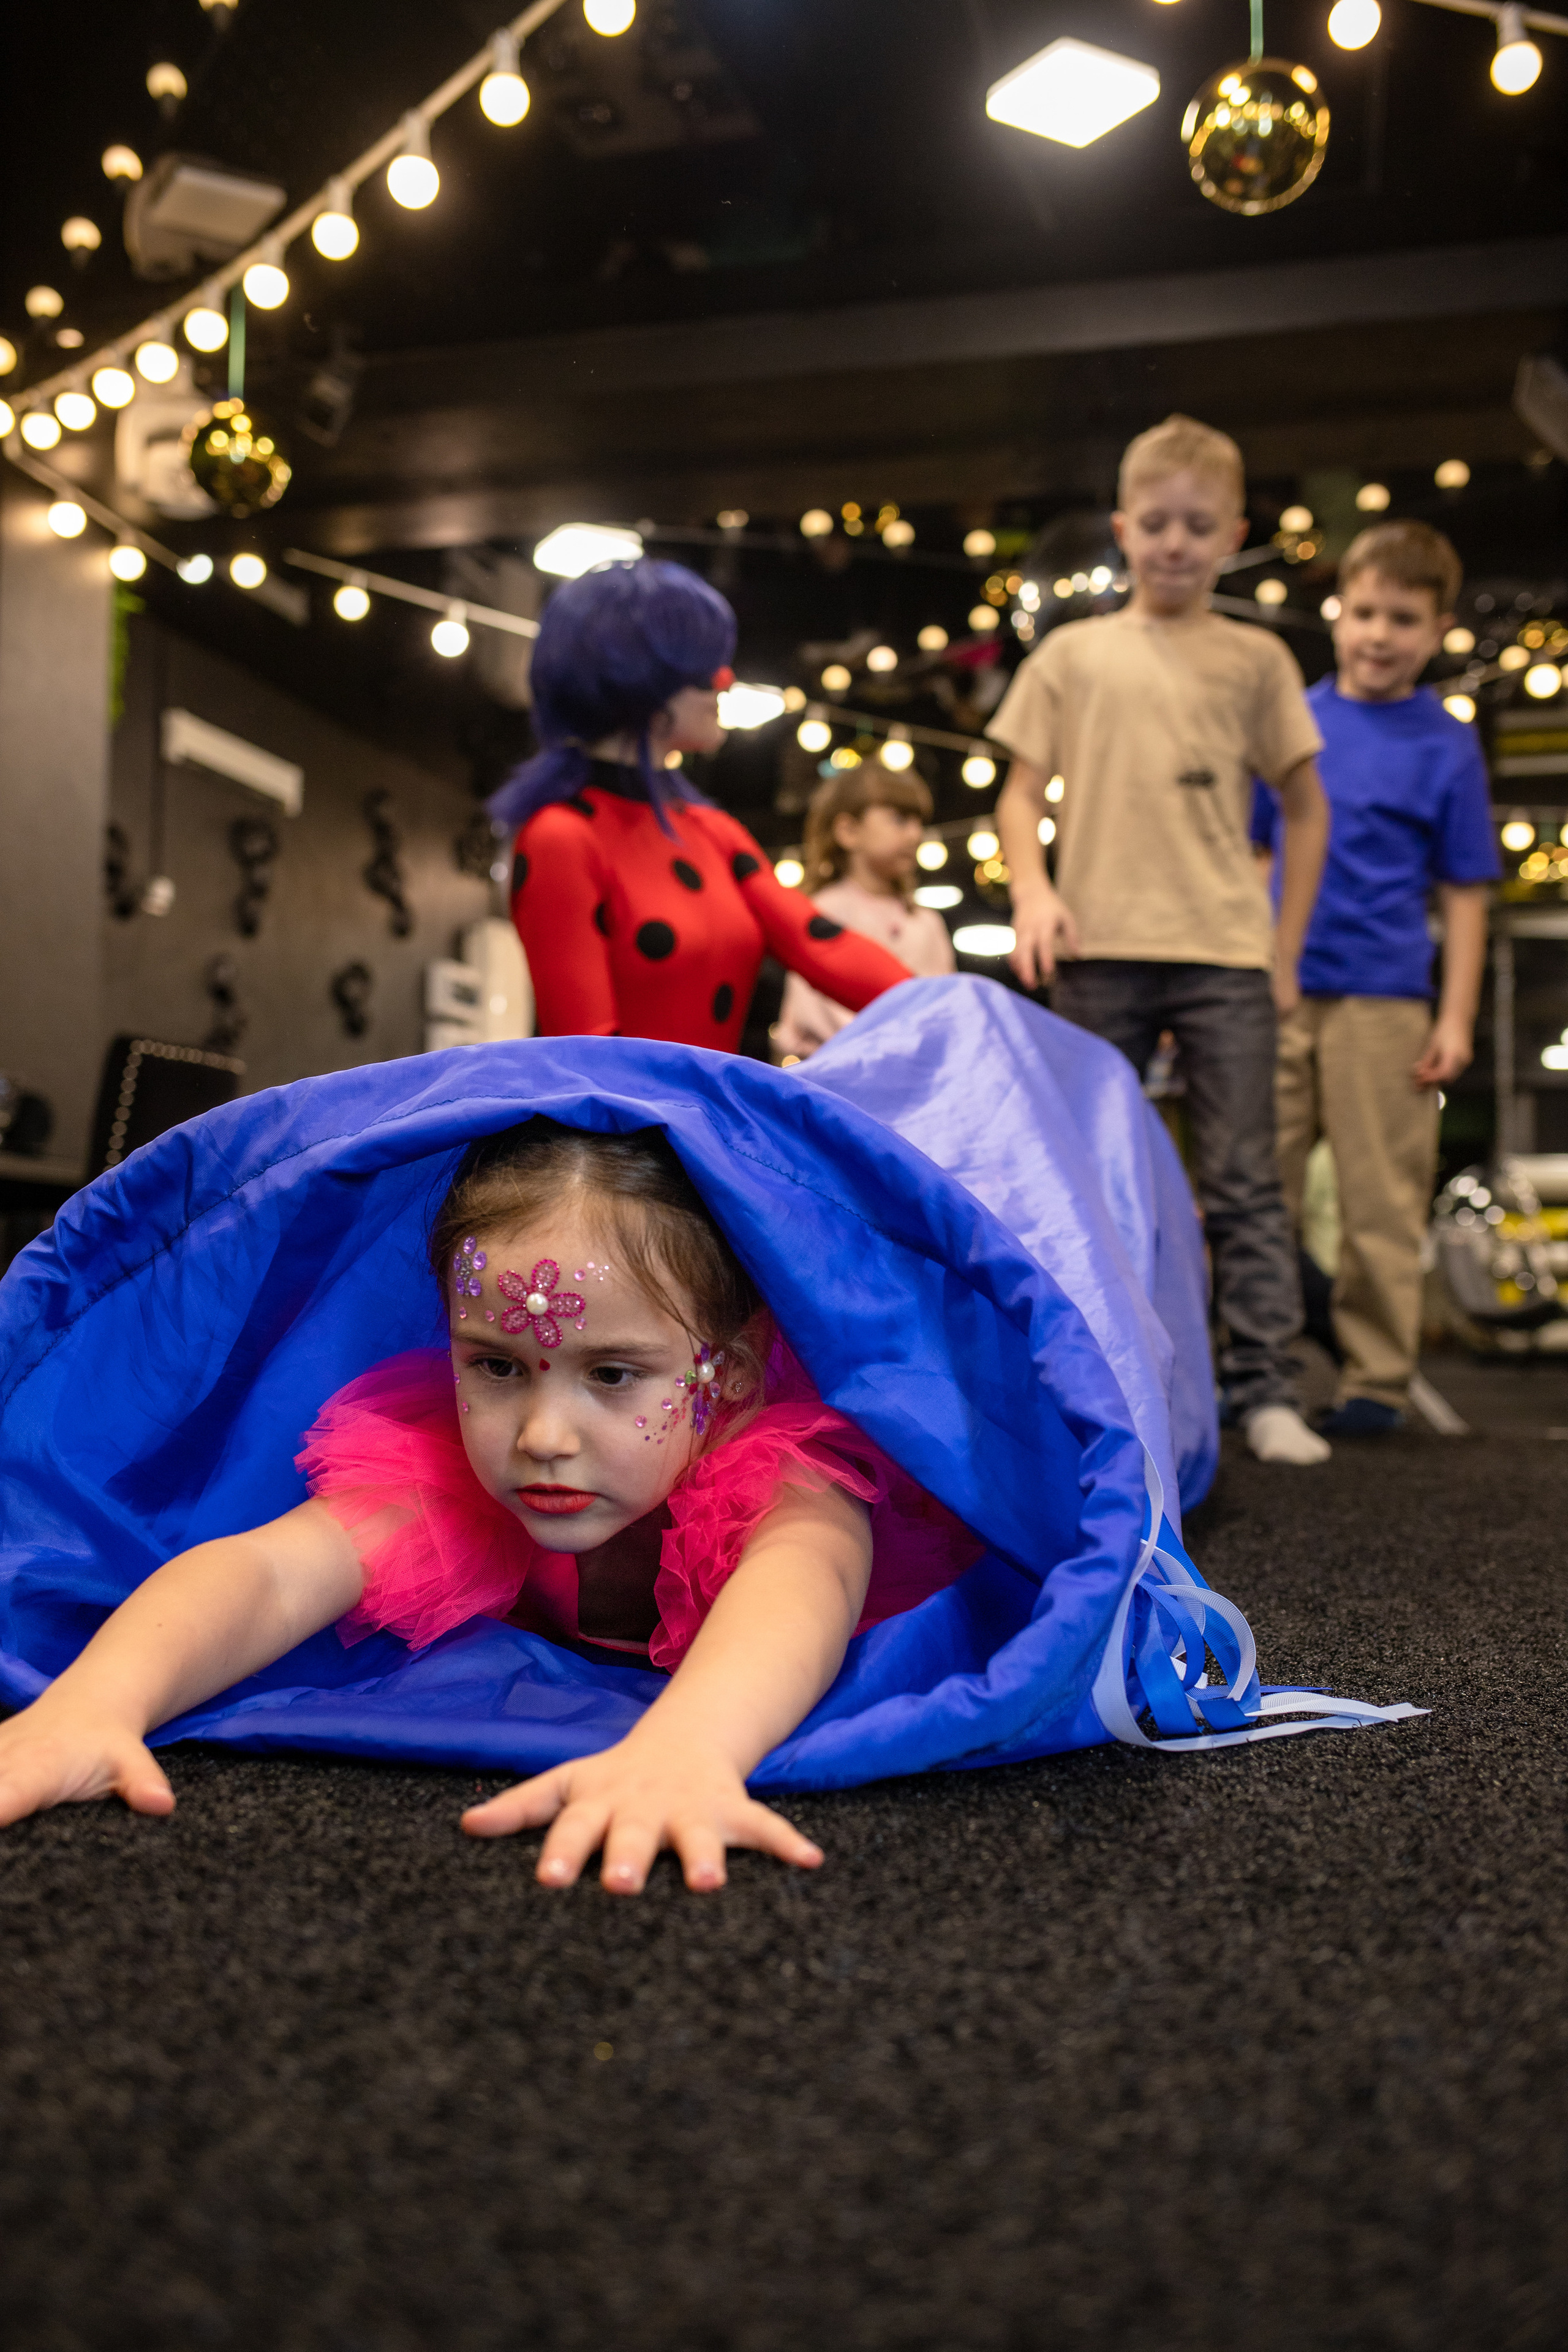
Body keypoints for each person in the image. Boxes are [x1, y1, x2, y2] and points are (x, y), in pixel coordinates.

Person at [0, 989, 1415, 1887]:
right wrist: (92, 1702)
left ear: (726, 1372)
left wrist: (687, 1749)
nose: (542, 1430)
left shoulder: (781, 1464)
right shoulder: (448, 1458)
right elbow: (262, 1572)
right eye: (495, 1363)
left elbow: (795, 1593)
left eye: (614, 1372)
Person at [990, 413, 1333, 1468]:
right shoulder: (1070, 654)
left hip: (1227, 950)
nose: (1175, 542)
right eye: (1156, 522)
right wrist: (1034, 892)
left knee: (1244, 1179)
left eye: (1198, 524)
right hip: (1097, 946)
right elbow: (1017, 793)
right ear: (1122, 528)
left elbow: (1308, 806)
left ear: (1233, 532)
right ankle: (1102, 1380)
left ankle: (1265, 1387)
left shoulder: (1259, 657)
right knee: (1091, 1180)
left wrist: (1284, 948)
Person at [1251, 521, 1499, 1436]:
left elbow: (1466, 893)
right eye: (1365, 612)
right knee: (1254, 1192)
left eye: (1403, 618)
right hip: (1275, 992)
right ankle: (1257, 1368)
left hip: (1389, 998)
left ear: (1436, 631)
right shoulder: (1293, 722)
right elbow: (1250, 854)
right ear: (1336, 611)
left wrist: (1457, 1017)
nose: (1380, 634)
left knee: (1380, 1202)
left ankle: (1377, 1381)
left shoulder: (1446, 746)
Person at [489, 559, 911, 1049]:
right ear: (638, 677)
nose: (725, 679)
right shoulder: (562, 837)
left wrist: (949, 1008)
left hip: (708, 1114)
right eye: (700, 666)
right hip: (626, 1122)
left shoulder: (712, 832)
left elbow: (822, 945)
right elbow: (585, 1051)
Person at [774, 764, 956, 1060]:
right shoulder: (822, 912)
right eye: (899, 819)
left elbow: (944, 1011)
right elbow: (812, 1016)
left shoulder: (927, 923)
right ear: (849, 831)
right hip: (834, 1079)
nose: (915, 834)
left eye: (919, 823)